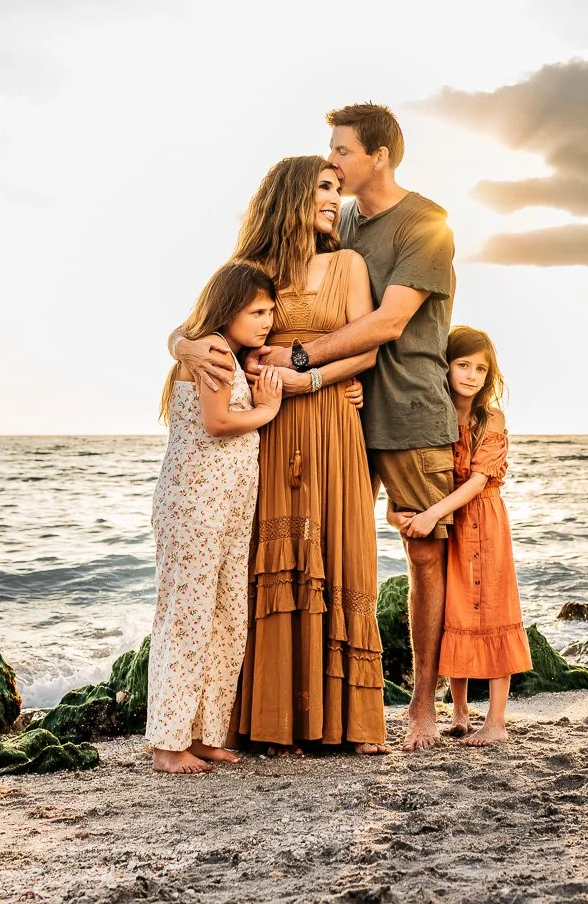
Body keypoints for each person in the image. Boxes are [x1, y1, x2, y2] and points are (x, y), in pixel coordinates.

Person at [243, 104, 459, 752]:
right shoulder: (346, 218)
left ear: (379, 156)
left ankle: (422, 705)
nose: (330, 164)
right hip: (339, 412)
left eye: (340, 153)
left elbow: (389, 323)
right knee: (325, 549)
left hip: (407, 405)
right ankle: (302, 703)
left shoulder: (426, 224)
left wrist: (307, 360)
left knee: (423, 553)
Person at [173, 157, 389, 754]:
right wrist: (187, 346)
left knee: (342, 552)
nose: (333, 198)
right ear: (291, 195)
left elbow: (367, 350)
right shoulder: (253, 269)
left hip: (328, 419)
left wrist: (309, 380)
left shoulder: (349, 264)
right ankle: (273, 721)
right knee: (271, 554)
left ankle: (351, 721)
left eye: (337, 188)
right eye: (324, 187)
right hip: (264, 429)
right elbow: (194, 325)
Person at [147, 260, 285, 775]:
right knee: (188, 617)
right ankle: (167, 743)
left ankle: (203, 733)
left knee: (227, 616)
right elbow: (218, 421)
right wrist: (268, 411)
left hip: (226, 504)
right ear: (228, 309)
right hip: (195, 506)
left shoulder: (228, 351)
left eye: (270, 310)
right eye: (256, 311)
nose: (266, 320)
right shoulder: (212, 353)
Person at [392, 326, 530, 747]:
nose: (471, 375)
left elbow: (477, 481)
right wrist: (398, 508)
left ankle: (497, 722)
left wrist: (432, 512)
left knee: (491, 609)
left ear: (489, 376)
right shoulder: (435, 414)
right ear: (446, 366)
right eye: (463, 364)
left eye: (480, 368)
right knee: (456, 611)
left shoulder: (492, 418)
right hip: (450, 521)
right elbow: (413, 466)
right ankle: (459, 713)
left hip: (482, 520)